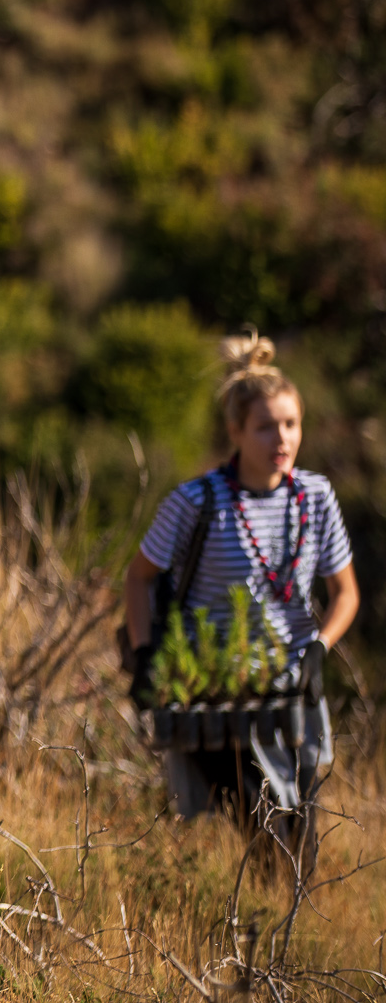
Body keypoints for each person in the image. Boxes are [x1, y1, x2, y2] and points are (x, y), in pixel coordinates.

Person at [124, 334, 359, 837]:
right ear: (236, 430)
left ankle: (276, 916)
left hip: (292, 688)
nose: (282, 440)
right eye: (265, 427)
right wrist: (145, 656)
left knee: (301, 837)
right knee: (261, 833)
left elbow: (346, 592)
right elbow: (139, 577)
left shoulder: (315, 497)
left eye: (291, 424)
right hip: (215, 691)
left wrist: (321, 648)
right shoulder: (196, 501)